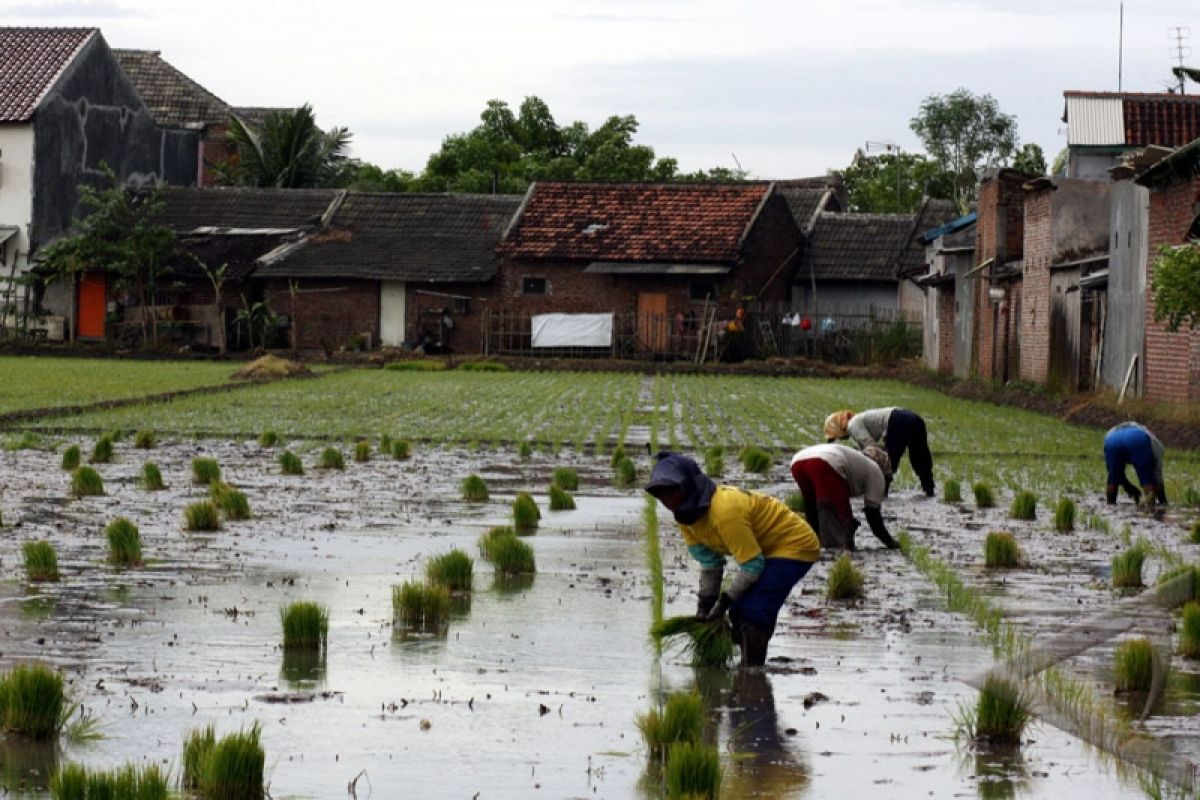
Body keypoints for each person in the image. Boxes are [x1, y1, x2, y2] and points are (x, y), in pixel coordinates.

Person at [645, 451, 820, 667]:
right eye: (661, 495)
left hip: (794, 544)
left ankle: (752, 672)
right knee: (740, 613)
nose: (667, 500)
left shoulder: (725, 511)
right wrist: (705, 606)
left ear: (689, 485)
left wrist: (723, 603)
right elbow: (710, 564)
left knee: (751, 609)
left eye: (672, 491)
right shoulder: (686, 517)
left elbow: (753, 565)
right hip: (764, 548)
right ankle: (751, 659)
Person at [789, 443, 898, 551]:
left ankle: (814, 543)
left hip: (798, 462)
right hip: (825, 461)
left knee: (812, 506)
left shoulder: (857, 461)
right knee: (838, 510)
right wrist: (889, 542)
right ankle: (836, 547)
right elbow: (872, 513)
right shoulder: (876, 471)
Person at [824, 407, 935, 497]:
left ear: (838, 428)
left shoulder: (852, 425)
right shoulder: (858, 419)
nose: (840, 439)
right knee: (920, 457)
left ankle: (881, 495)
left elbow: (872, 448)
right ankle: (929, 490)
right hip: (914, 418)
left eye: (836, 436)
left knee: (887, 462)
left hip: (897, 421)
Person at [1103, 422, 1167, 506]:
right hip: (1137, 439)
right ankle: (1151, 509)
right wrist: (1163, 501)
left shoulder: (1113, 432)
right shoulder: (1158, 447)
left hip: (1111, 439)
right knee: (1147, 479)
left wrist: (1128, 487)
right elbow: (1157, 478)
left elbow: (1116, 474)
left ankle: (1110, 506)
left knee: (1112, 478)